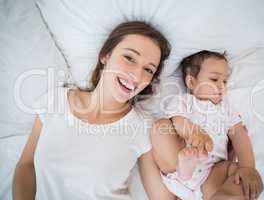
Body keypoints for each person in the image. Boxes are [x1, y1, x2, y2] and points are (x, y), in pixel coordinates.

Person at [12, 21, 176, 200]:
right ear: (105, 56)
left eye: (148, 69)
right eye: (129, 58)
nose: (137, 76)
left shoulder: (143, 127)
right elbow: (26, 165)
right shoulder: (56, 100)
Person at [151, 50, 264, 200]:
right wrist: (193, 133)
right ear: (191, 82)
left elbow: (240, 136)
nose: (221, 86)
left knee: (241, 176)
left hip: (212, 176)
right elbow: (177, 121)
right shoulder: (184, 101)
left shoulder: (226, 109)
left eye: (225, 81)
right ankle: (185, 166)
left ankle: (224, 197)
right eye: (214, 79)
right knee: (161, 127)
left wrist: (248, 168)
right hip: (177, 165)